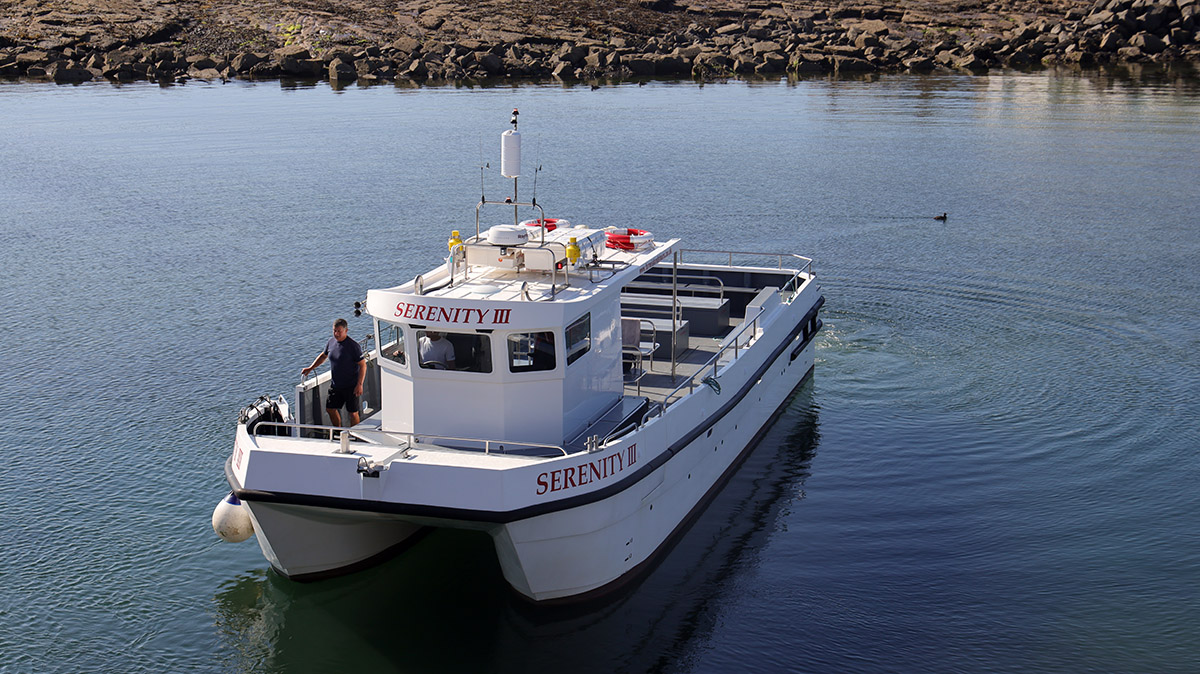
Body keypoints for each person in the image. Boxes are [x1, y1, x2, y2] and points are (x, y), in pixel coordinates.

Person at [301, 318, 366, 427]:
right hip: (336, 385)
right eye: (334, 331)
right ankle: (338, 431)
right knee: (330, 409)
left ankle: (355, 435)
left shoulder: (353, 346)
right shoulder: (331, 342)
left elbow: (363, 365)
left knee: (353, 413)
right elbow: (323, 356)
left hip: (351, 386)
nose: (336, 334)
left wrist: (359, 384)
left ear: (346, 331)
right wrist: (310, 368)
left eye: (339, 331)